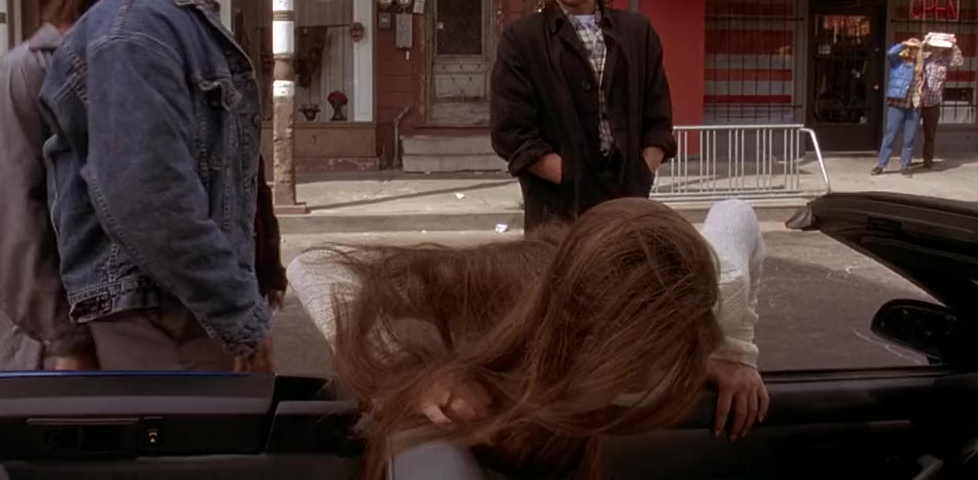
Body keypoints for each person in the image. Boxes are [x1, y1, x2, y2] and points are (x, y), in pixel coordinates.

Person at [287, 198, 768, 480]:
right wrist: (410, 379)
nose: (644, 377)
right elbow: (315, 267)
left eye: (662, 352)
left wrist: (735, 350)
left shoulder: (713, 290)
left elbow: (737, 212)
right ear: (573, 324)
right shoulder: (508, 284)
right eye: (626, 356)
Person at [40, 0, 281, 371]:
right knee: (186, 427)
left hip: (181, 308)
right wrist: (236, 313)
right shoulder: (137, 31)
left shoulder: (172, 22)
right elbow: (149, 196)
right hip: (164, 314)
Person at [0, 0, 122, 371]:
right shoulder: (23, 74)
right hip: (49, 337)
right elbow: (8, 216)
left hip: (101, 317)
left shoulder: (106, 64)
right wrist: (63, 339)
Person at [491, 0, 676, 231]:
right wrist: (575, 178)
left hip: (629, 205)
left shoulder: (637, 33)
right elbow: (511, 133)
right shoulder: (522, 40)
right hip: (556, 213)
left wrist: (642, 173)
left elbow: (658, 117)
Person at [872, 37, 925, 177]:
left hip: (914, 103)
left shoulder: (921, 66)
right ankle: (881, 165)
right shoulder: (898, 62)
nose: (913, 50)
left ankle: (905, 166)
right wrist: (904, 44)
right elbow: (890, 53)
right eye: (911, 48)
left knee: (910, 137)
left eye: (916, 48)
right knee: (891, 134)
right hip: (898, 102)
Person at [918, 32, 964, 170]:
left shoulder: (945, 61)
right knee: (909, 132)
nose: (938, 49)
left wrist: (953, 45)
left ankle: (928, 161)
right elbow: (914, 55)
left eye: (940, 47)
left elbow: (958, 62)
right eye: (936, 47)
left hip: (934, 102)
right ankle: (906, 161)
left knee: (930, 135)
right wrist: (925, 42)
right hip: (918, 100)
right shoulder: (923, 58)